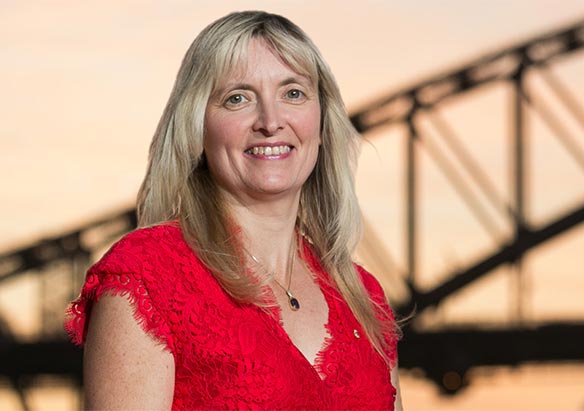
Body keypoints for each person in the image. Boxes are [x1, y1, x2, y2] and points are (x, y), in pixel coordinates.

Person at [65, 10, 402, 410]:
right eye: (237, 98)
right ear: (197, 126)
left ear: (323, 122)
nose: (271, 121)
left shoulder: (362, 296)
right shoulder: (147, 276)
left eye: (293, 93)